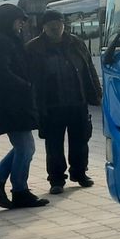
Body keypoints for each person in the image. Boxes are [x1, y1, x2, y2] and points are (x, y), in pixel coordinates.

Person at [26, 10, 102, 195]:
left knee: (80, 140)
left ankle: (80, 173)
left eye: (58, 23)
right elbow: (29, 78)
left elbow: (89, 68)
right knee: (54, 145)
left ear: (63, 24)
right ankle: (56, 179)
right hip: (51, 104)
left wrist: (96, 93)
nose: (55, 27)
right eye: (50, 24)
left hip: (77, 101)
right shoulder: (33, 48)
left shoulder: (76, 43)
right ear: (43, 27)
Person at [0, 4, 49, 208]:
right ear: (8, 20)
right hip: (11, 103)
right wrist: (26, 85)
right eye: (19, 20)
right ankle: (20, 190)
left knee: (23, 147)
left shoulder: (10, 40)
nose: (21, 24)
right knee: (26, 147)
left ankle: (6, 183)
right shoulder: (3, 41)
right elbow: (3, 73)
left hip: (16, 103)